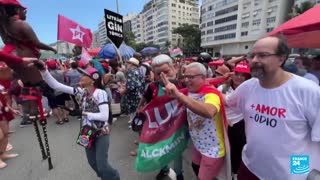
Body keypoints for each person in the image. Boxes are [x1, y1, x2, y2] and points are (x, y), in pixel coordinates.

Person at [224, 36, 320, 180]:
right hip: (250, 167)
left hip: (290, 175)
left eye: (262, 55)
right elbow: (226, 101)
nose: (255, 60)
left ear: (281, 59)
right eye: (252, 55)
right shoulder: (248, 87)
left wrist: (299, 173)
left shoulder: (308, 91)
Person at [33, 60, 120, 180]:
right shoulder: (81, 92)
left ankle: (114, 177)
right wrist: (44, 71)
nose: (81, 76)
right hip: (85, 131)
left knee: (102, 165)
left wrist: (82, 113)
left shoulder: (101, 93)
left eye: (84, 75)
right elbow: (56, 85)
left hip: (101, 132)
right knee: (92, 163)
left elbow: (104, 116)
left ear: (93, 79)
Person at [161, 62, 227, 180]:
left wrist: (179, 95)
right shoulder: (189, 92)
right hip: (198, 144)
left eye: (191, 77)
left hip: (213, 149)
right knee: (195, 166)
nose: (186, 80)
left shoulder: (212, 94)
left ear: (203, 77)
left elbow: (209, 111)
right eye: (185, 77)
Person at [0, 0, 57, 127]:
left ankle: (32, 112)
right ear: (16, 10)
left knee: (27, 84)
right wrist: (52, 48)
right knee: (38, 84)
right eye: (23, 10)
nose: (25, 12)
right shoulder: (21, 25)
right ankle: (36, 111)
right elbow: (37, 43)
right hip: (26, 56)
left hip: (12, 55)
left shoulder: (3, 26)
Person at [136, 54, 185, 180]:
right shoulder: (152, 86)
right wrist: (139, 107)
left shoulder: (182, 84)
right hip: (159, 125)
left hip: (177, 124)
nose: (163, 76)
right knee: (160, 148)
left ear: (173, 68)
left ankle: (179, 174)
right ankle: (164, 169)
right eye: (159, 73)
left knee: (177, 150)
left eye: (166, 71)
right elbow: (145, 98)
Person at [218, 61, 251, 179]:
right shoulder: (222, 88)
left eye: (243, 75)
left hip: (240, 125)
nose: (239, 77)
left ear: (247, 77)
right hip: (223, 125)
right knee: (224, 152)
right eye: (237, 74)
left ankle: (235, 174)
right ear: (232, 74)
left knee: (238, 151)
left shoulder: (250, 90)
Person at [118, 58, 145, 124]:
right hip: (139, 94)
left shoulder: (131, 72)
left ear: (132, 64)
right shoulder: (139, 71)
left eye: (128, 63)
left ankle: (135, 123)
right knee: (138, 109)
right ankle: (137, 122)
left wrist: (122, 91)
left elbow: (131, 87)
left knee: (133, 111)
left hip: (133, 96)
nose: (126, 64)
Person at [0, 84, 20, 169]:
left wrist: (12, 109)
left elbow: (3, 101)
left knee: (5, 133)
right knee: (0, 136)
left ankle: (2, 154)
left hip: (1, 113)